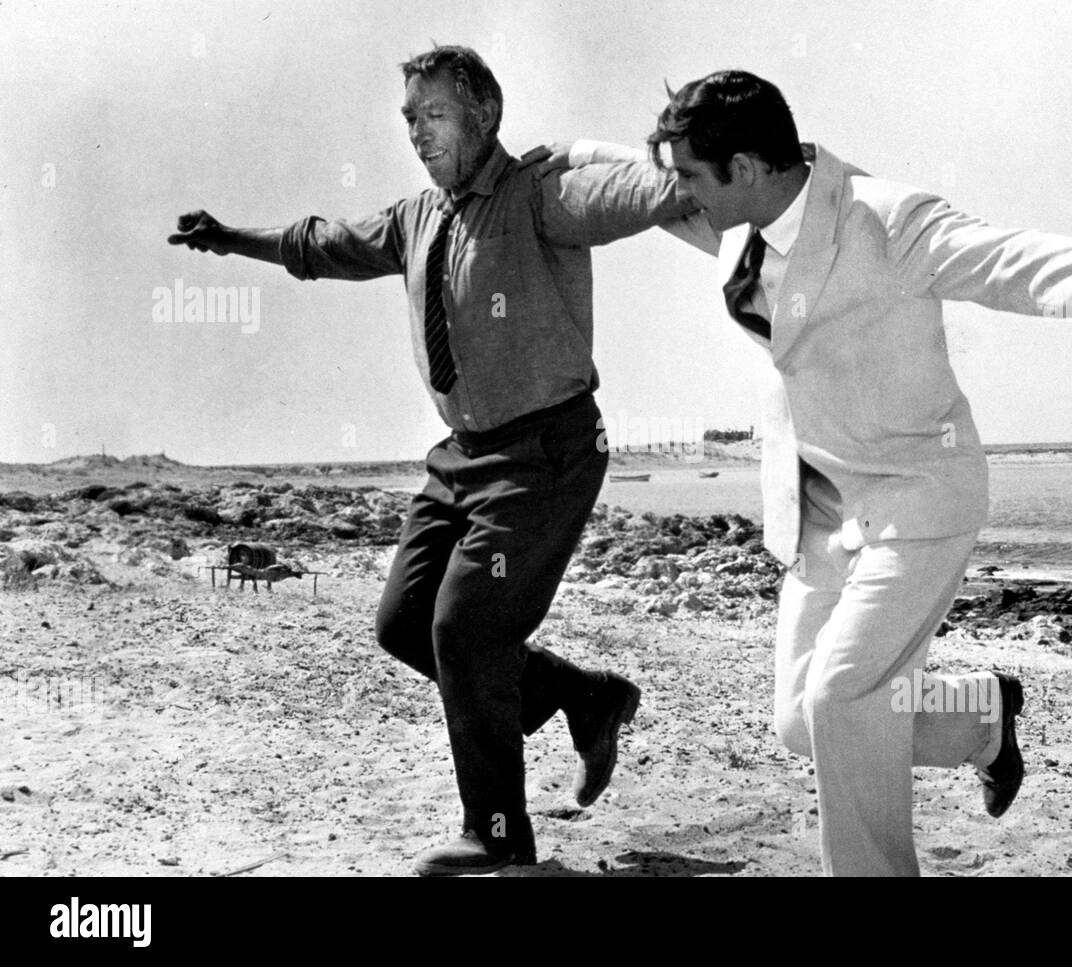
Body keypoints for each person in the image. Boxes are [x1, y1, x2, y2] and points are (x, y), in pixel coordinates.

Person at [564, 70, 1072, 875]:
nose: (676, 196)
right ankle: (982, 718)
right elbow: (642, 181)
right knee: (806, 722)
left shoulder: (887, 220)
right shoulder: (735, 222)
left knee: (842, 698)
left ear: (744, 167)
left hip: (918, 497)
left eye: (690, 178)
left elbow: (1009, 260)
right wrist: (567, 155)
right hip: (821, 513)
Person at [168, 44, 697, 876]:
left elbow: (632, 195)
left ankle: (497, 836)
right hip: (461, 457)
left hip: (545, 450)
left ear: (483, 115)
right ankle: (580, 696)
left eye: (433, 115)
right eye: (409, 119)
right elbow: (328, 243)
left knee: (467, 626)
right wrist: (233, 239)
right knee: (406, 622)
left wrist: (705, 172)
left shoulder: (539, 194)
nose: (416, 133)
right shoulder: (418, 217)